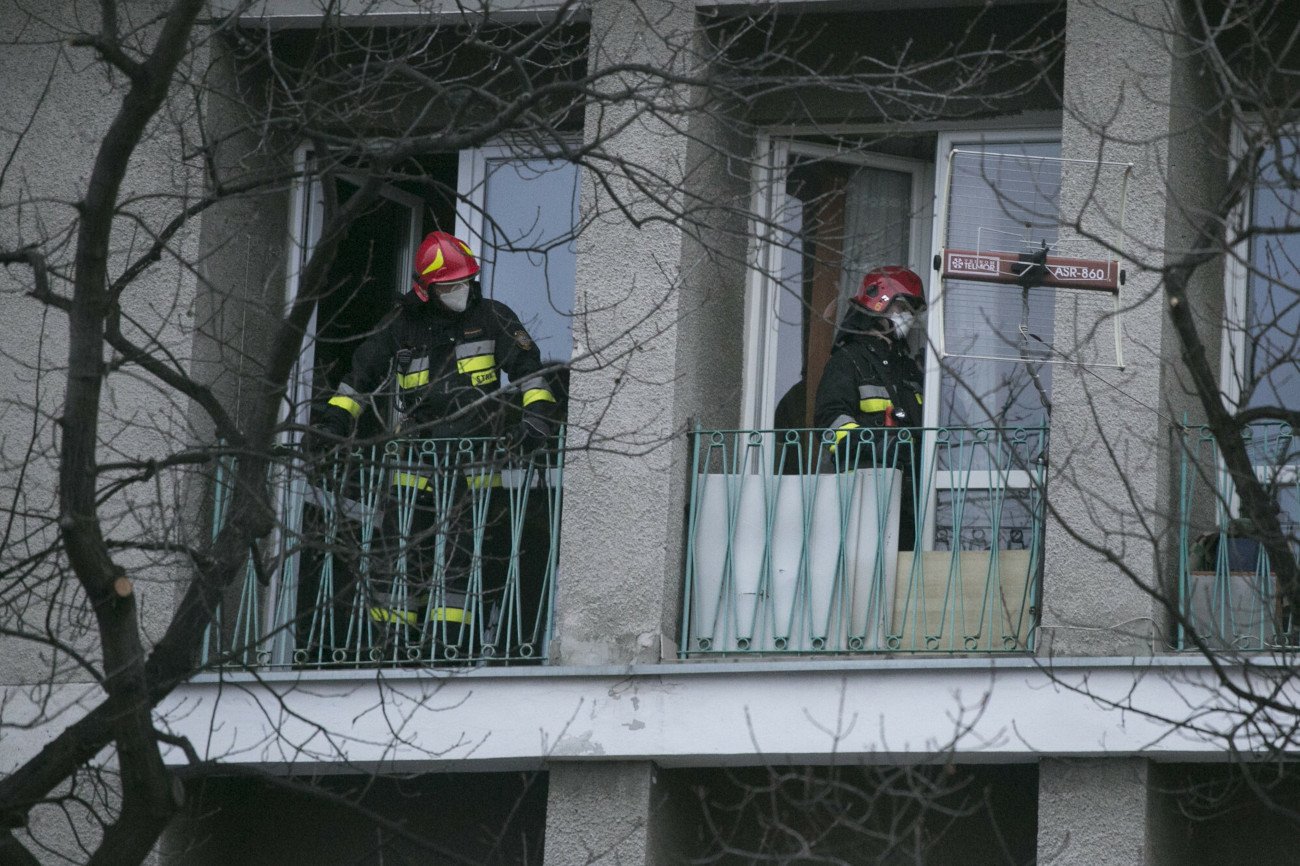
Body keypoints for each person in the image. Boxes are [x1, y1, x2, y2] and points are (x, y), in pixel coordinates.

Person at [309, 230, 558, 659]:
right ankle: (389, 650)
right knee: (395, 557)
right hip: (413, 461)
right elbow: (357, 381)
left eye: (464, 282)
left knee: (460, 559)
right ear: (425, 290)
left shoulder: (493, 318)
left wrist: (537, 417)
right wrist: (331, 428)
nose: (460, 292)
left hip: (473, 464)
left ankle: (447, 649)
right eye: (449, 286)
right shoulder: (401, 327)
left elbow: (528, 373)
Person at [813, 265, 926, 548]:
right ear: (880, 304)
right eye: (903, 307)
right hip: (857, 499)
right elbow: (830, 423)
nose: (908, 317)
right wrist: (879, 445)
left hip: (908, 503)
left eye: (913, 311)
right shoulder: (848, 361)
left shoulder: (909, 371)